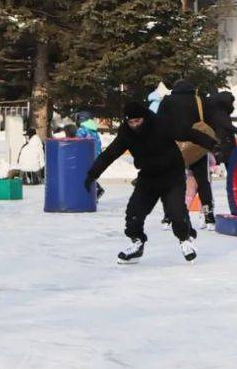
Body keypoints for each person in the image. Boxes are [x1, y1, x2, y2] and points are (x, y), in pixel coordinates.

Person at [84, 99, 216, 264]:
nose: (134, 125)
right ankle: (137, 243)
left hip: (172, 175)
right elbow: (110, 153)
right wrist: (92, 174)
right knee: (133, 213)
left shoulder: (160, 123)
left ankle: (185, 239)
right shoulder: (126, 132)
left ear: (144, 117)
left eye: (137, 121)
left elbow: (188, 133)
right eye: (130, 122)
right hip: (148, 177)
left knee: (176, 212)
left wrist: (213, 145)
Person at [158, 79, 217, 228]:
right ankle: (209, 216)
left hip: (175, 146)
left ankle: (168, 217)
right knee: (203, 181)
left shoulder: (167, 101)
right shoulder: (199, 101)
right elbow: (209, 122)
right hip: (197, 145)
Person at [203, 91, 237, 165]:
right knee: (230, 164)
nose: (232, 105)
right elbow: (228, 126)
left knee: (229, 164)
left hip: (224, 141)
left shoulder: (219, 112)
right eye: (231, 103)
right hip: (225, 142)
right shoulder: (221, 114)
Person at [75, 111, 105, 198]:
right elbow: (98, 144)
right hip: (95, 157)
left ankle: (95, 190)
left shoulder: (82, 130)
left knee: (83, 175)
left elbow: (77, 142)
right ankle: (96, 191)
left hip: (85, 157)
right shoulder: (94, 131)